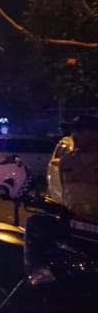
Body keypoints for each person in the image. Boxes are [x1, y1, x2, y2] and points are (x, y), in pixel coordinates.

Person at [24, 115, 98, 286]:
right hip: (73, 223)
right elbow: (66, 196)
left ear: (95, 133)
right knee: (35, 222)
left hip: (95, 226)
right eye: (73, 131)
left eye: (80, 130)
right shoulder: (66, 161)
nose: (74, 135)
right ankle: (39, 272)